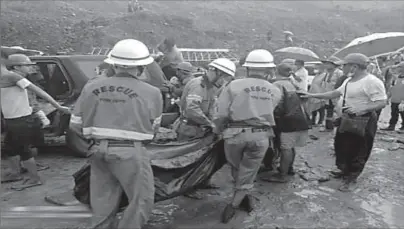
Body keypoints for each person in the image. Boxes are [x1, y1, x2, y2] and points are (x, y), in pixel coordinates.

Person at [69, 39, 163, 229]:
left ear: (114, 64)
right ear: (142, 66)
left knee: (102, 201)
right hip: (130, 153)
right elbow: (154, 129)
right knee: (141, 200)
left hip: (97, 151)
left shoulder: (91, 87)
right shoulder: (152, 92)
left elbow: (75, 125)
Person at [300, 53, 387, 192]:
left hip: (363, 120)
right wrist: (312, 95)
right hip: (347, 119)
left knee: (359, 149)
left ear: (354, 66)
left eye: (344, 65)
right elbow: (335, 93)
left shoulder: (372, 81)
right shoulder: (349, 80)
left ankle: (351, 178)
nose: (342, 68)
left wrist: (361, 108)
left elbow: (382, 102)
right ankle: (344, 170)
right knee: (342, 146)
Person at [213, 49, 281, 223]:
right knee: (249, 170)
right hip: (260, 136)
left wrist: (217, 131)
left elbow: (221, 115)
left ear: (247, 68)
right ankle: (242, 196)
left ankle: (234, 204)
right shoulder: (275, 90)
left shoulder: (233, 86)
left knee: (236, 167)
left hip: (235, 135)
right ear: (268, 69)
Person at [1, 54, 70, 190]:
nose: (30, 68)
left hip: (20, 119)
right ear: (16, 66)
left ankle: (34, 179)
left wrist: (57, 106)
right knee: (9, 148)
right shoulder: (11, 77)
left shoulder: (14, 77)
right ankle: (16, 173)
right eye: (27, 65)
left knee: (23, 150)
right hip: (14, 119)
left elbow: (39, 92)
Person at [174, 58, 236, 199]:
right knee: (187, 161)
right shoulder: (198, 86)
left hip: (200, 128)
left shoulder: (210, 87)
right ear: (215, 72)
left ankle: (200, 181)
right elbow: (192, 109)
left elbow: (212, 107)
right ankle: (186, 188)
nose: (224, 81)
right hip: (189, 128)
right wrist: (210, 124)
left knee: (200, 159)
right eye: (224, 77)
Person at [262, 63, 311, 183]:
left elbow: (276, 105)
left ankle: (282, 174)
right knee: (290, 146)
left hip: (287, 120)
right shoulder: (293, 83)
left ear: (276, 72)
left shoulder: (277, 85)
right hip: (300, 119)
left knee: (285, 148)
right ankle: (289, 168)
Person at [321, 56, 343, 130]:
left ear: (334, 65)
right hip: (328, 95)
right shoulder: (326, 73)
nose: (326, 65)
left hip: (336, 95)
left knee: (338, 111)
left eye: (328, 64)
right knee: (329, 111)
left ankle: (338, 126)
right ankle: (329, 127)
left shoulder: (339, 73)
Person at [381, 62, 404, 131]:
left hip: (402, 101)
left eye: (400, 67)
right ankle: (392, 125)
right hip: (394, 99)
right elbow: (391, 88)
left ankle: (403, 126)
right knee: (394, 113)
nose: (398, 69)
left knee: (402, 114)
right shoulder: (395, 78)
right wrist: (388, 97)